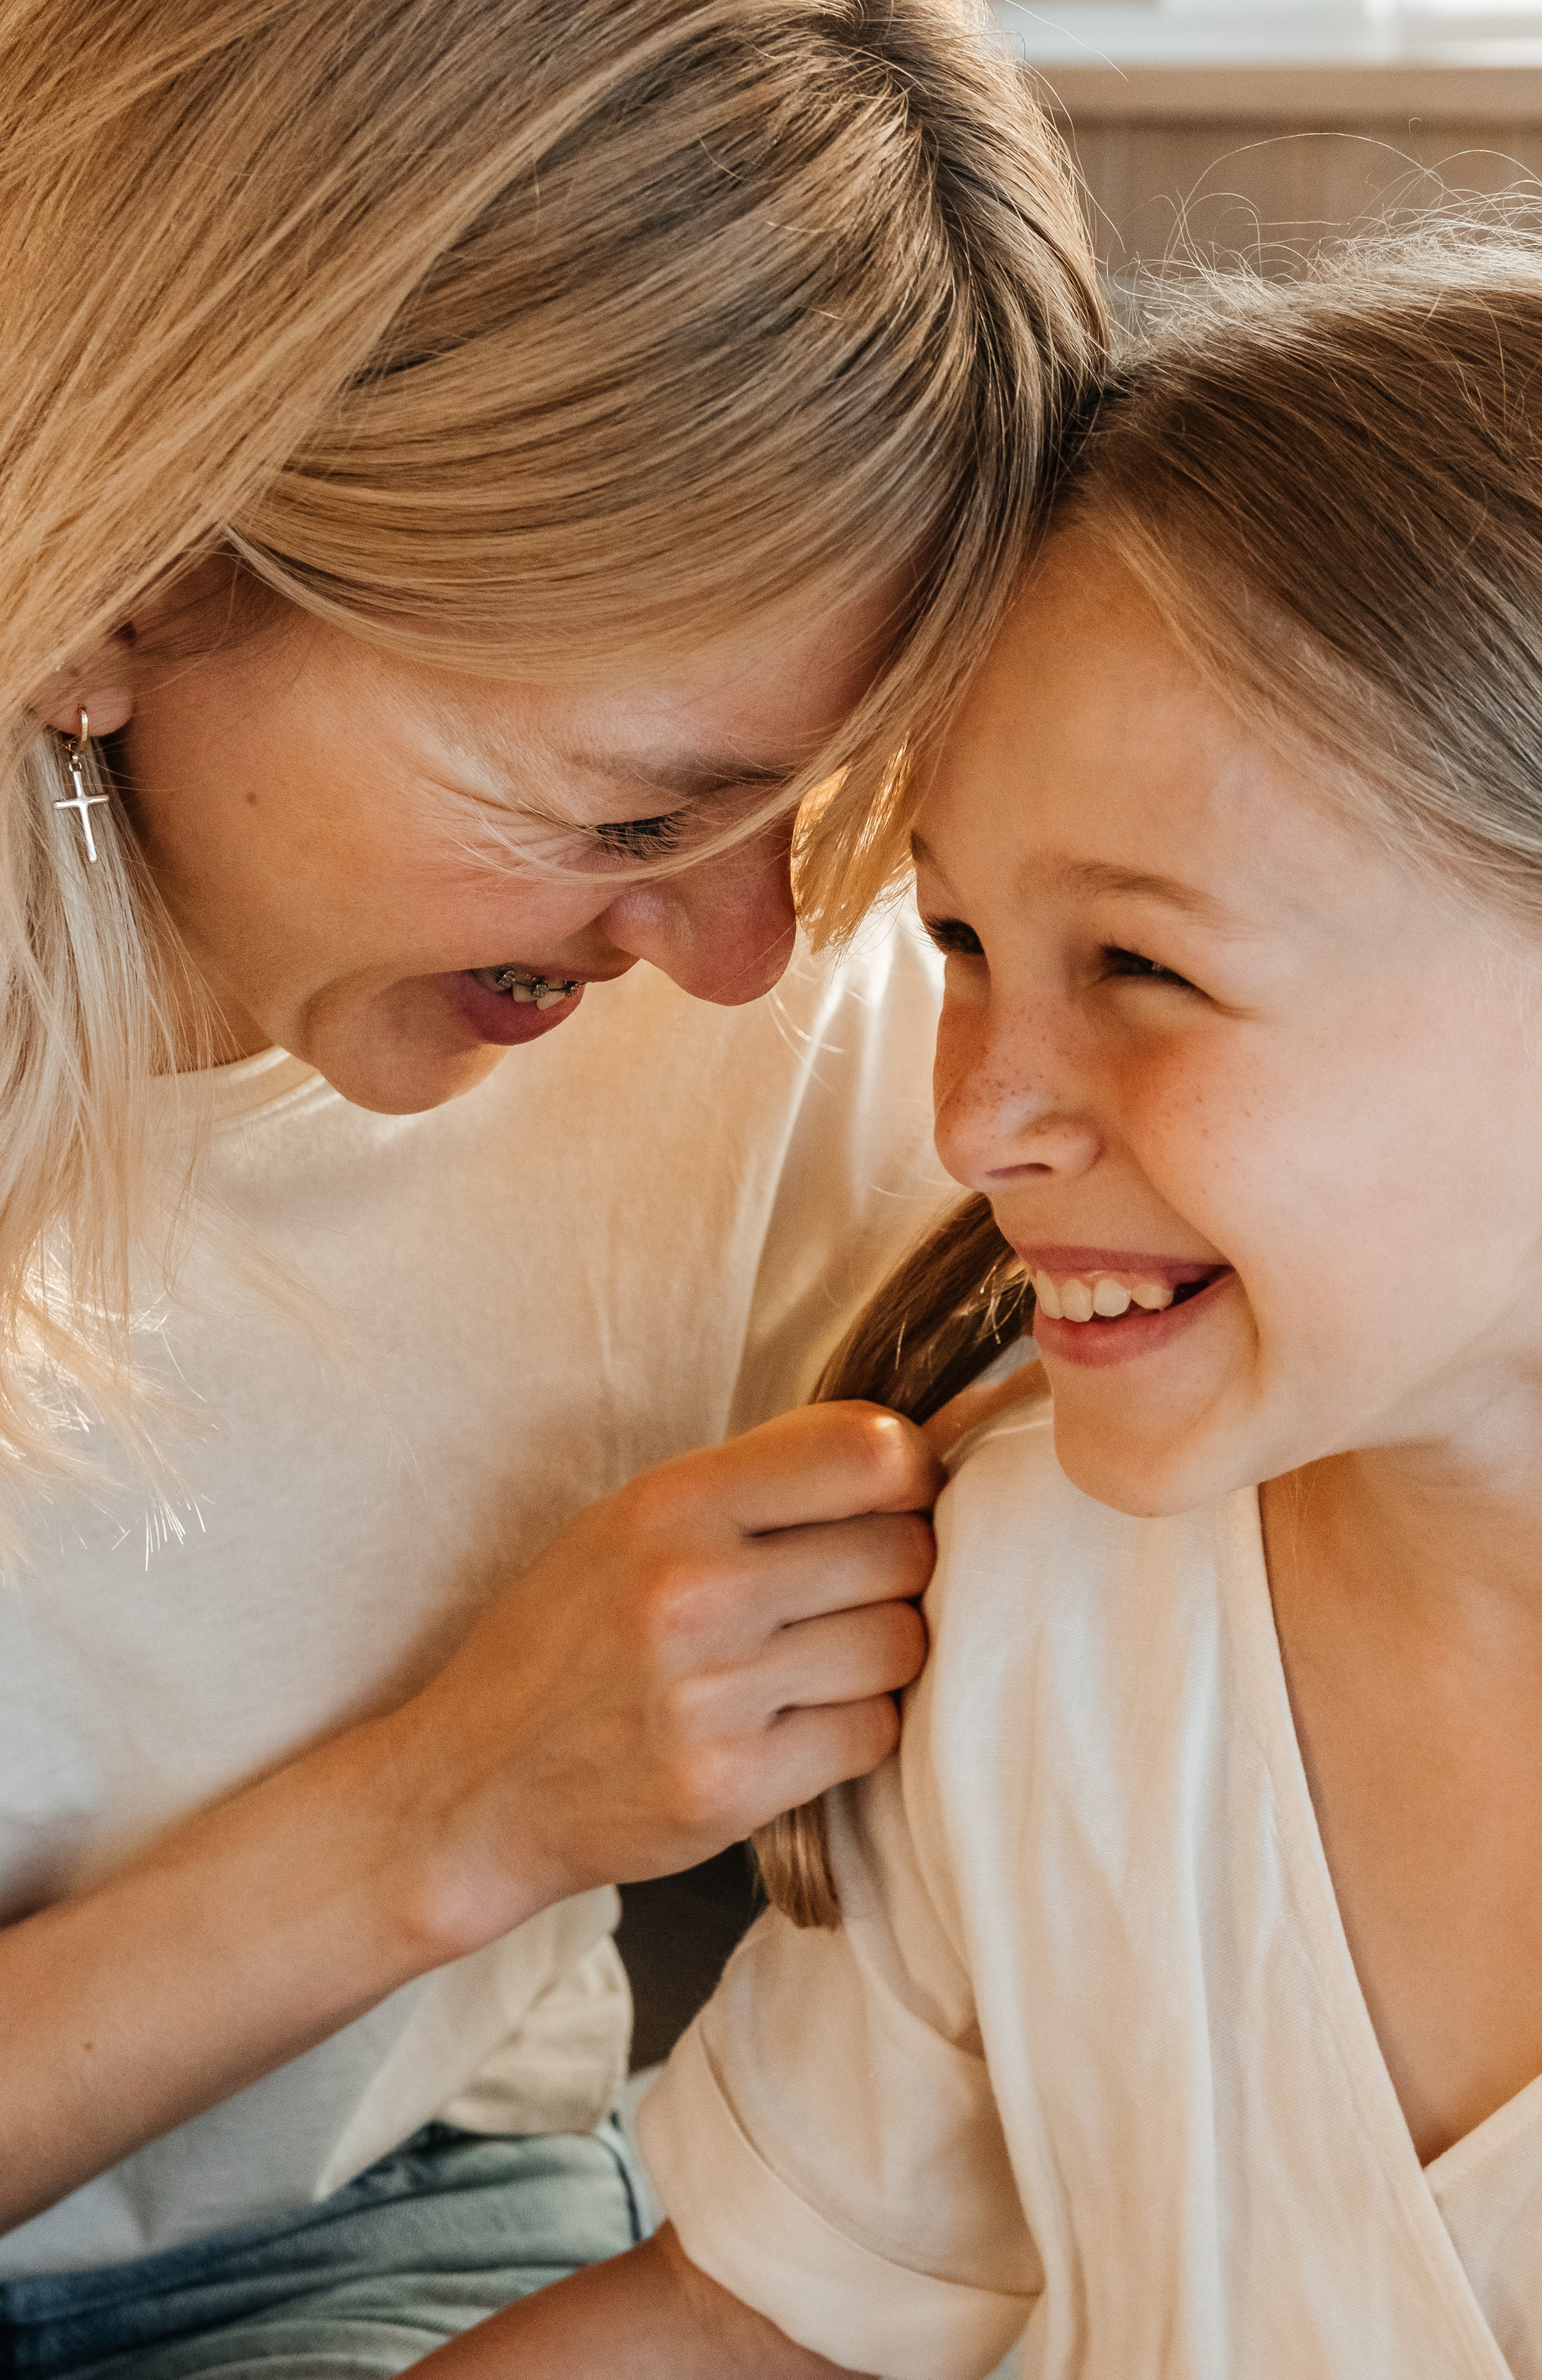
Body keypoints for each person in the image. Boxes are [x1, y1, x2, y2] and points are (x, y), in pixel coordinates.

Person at [0, 2, 1105, 2369]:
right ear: (118, 584)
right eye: (621, 816)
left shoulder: (792, 1020)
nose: (733, 962)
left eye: (803, 813)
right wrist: (448, 1811)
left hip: (357, 2228)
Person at [416, 224, 1542, 2380]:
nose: (977, 1118)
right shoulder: (1037, 1592)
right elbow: (753, 2327)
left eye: (1145, 968)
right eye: (956, 944)